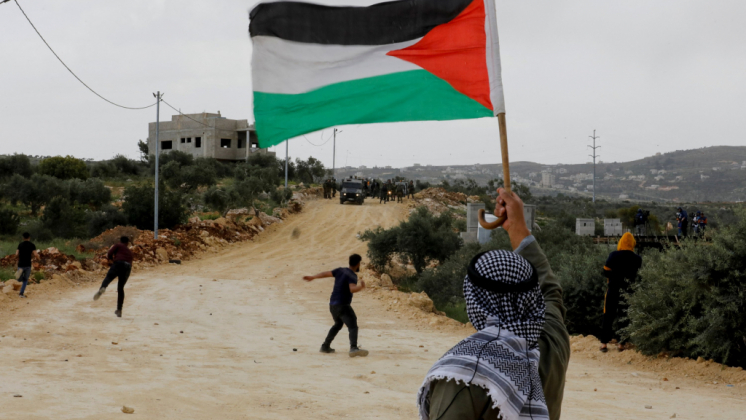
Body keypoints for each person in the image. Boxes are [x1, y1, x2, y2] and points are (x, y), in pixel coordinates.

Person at [419, 188, 570, 420]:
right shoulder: (553, 341)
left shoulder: (464, 373)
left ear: (474, 302)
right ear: (532, 294)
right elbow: (551, 292)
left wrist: (515, 224)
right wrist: (518, 226)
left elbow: (549, 291)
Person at [303, 254, 369, 357]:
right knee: (352, 325)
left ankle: (325, 346)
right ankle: (353, 348)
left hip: (332, 304)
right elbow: (352, 289)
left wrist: (313, 277)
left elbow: (326, 273)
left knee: (338, 324)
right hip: (343, 304)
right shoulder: (352, 275)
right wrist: (361, 287)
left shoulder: (340, 270)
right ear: (358, 264)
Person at [599, 232, 642, 353]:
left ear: (621, 242)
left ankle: (604, 344)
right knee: (624, 316)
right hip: (628, 292)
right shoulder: (637, 259)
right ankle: (621, 344)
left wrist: (613, 277)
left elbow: (605, 271)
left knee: (608, 315)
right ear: (632, 243)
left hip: (613, 289)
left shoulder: (613, 255)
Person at [93, 236, 133, 318]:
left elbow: (109, 254)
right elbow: (130, 261)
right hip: (127, 267)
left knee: (108, 277)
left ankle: (103, 287)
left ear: (120, 241)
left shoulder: (118, 245)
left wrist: (111, 260)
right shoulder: (129, 251)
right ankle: (119, 310)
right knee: (120, 288)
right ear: (127, 243)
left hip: (118, 264)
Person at [15, 232, 37, 298]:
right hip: (28, 265)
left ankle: (14, 289)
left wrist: (17, 258)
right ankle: (21, 294)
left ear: (23, 238)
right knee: (25, 280)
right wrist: (38, 258)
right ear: (29, 237)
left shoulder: (20, 245)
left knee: (18, 278)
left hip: (20, 264)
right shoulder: (32, 245)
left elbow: (16, 254)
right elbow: (35, 254)